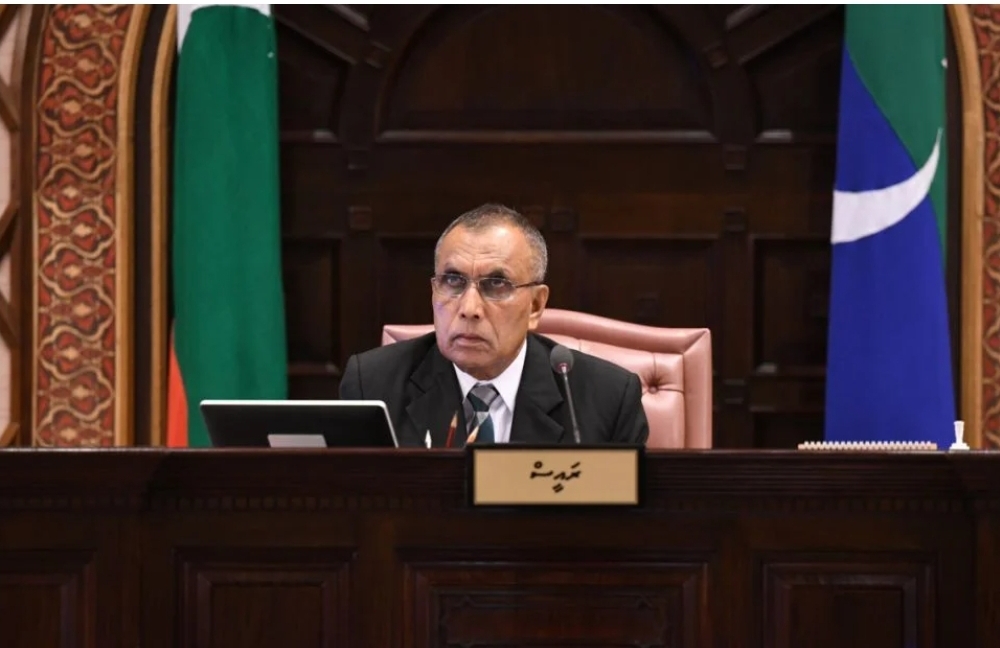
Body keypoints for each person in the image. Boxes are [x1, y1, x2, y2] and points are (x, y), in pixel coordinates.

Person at [338, 203, 650, 447]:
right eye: (453, 281)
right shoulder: (373, 385)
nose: (469, 309)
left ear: (535, 305)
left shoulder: (607, 399)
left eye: (496, 284)